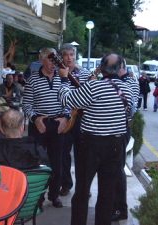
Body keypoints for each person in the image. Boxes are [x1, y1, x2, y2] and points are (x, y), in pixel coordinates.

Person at [58, 53, 132, 225]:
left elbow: (66, 99)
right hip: (116, 145)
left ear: (101, 68)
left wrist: (63, 80)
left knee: (82, 191)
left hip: (90, 145)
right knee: (107, 193)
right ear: (120, 68)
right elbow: (129, 113)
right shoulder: (128, 90)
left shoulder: (93, 87)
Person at [22, 47, 70, 208]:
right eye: (50, 59)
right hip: (39, 125)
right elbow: (27, 104)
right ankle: (38, 197)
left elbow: (69, 101)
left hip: (58, 124)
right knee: (38, 163)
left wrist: (65, 118)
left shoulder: (63, 77)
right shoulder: (32, 79)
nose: (53, 63)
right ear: (42, 60)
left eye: (55, 59)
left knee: (57, 163)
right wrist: (35, 119)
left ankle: (54, 195)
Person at [59, 43, 92, 197]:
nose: (69, 58)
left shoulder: (85, 74)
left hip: (81, 119)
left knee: (83, 155)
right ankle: (65, 184)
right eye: (66, 55)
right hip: (64, 118)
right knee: (63, 154)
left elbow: (90, 96)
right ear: (61, 57)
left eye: (71, 55)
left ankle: (83, 187)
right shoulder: (58, 73)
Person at [112, 57, 139, 222]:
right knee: (114, 169)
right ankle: (116, 206)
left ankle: (120, 208)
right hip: (119, 129)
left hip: (121, 130)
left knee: (117, 169)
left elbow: (128, 109)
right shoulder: (123, 80)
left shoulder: (128, 83)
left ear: (120, 68)